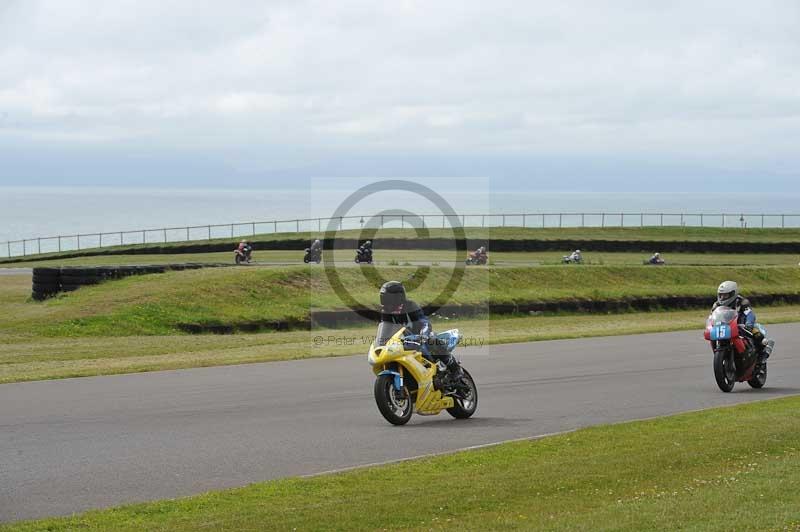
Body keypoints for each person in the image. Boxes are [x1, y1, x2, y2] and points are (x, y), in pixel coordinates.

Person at [379, 280, 461, 378]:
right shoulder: (385, 313)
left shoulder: (410, 306)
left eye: (388, 299)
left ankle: (455, 368)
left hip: (420, 338)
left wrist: (424, 335)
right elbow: (384, 329)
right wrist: (381, 342)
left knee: (432, 340)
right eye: (384, 298)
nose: (385, 302)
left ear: (397, 298)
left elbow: (425, 322)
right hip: (401, 343)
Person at [713, 280, 775, 370]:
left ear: (733, 294)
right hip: (725, 326)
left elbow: (750, 314)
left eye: (725, 295)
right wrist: (711, 325)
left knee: (757, 334)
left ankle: (763, 356)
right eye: (720, 295)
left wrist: (748, 324)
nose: (722, 297)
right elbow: (712, 317)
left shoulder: (742, 302)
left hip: (741, 324)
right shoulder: (716, 305)